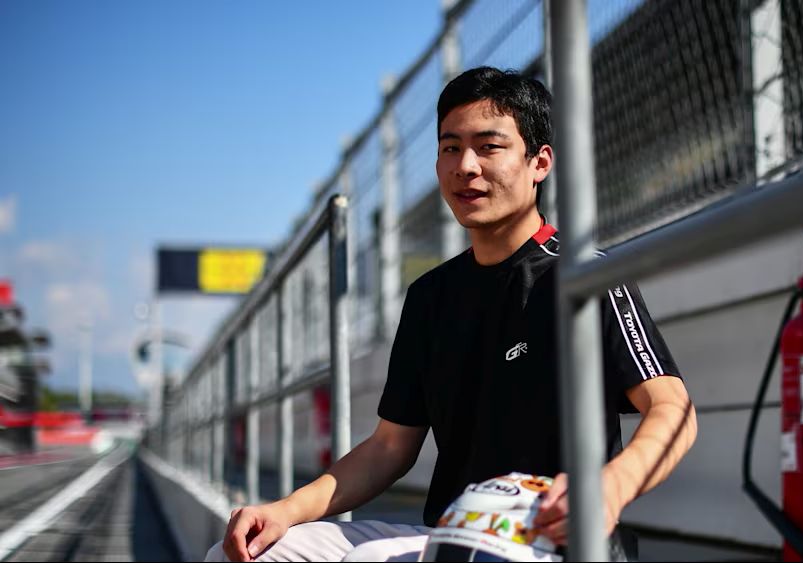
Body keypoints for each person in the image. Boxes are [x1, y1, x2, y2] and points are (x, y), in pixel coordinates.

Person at [206, 66, 697, 562]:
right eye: (450, 147)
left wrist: (609, 488)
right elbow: (388, 448)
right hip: (450, 533)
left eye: (489, 147)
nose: (466, 166)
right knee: (247, 553)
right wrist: (285, 510)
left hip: (551, 539)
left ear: (540, 163)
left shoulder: (584, 276)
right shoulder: (429, 296)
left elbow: (672, 407)